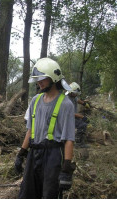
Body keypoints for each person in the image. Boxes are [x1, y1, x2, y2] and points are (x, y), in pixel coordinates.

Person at [15, 58, 76, 198]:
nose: (39, 82)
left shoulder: (66, 105)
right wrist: (21, 153)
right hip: (34, 152)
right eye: (37, 79)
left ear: (53, 78)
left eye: (42, 79)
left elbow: (69, 139)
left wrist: (66, 169)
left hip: (53, 156)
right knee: (27, 192)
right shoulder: (35, 101)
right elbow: (30, 130)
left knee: (49, 194)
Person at [65, 82, 90, 147]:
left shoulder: (73, 96)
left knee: (84, 122)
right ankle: (78, 143)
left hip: (72, 116)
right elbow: (70, 113)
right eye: (75, 93)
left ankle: (82, 138)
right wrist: (82, 117)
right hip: (68, 118)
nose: (76, 95)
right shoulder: (66, 100)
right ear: (71, 92)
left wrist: (84, 104)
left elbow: (77, 100)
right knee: (82, 125)